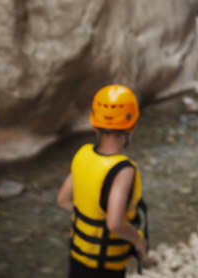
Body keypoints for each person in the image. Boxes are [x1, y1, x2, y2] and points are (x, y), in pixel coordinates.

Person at [56, 85, 150, 277]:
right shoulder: (123, 170)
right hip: (104, 268)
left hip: (77, 257)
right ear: (132, 125)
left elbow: (63, 201)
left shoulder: (82, 155)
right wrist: (138, 240)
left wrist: (92, 218)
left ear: (95, 122)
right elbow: (114, 223)